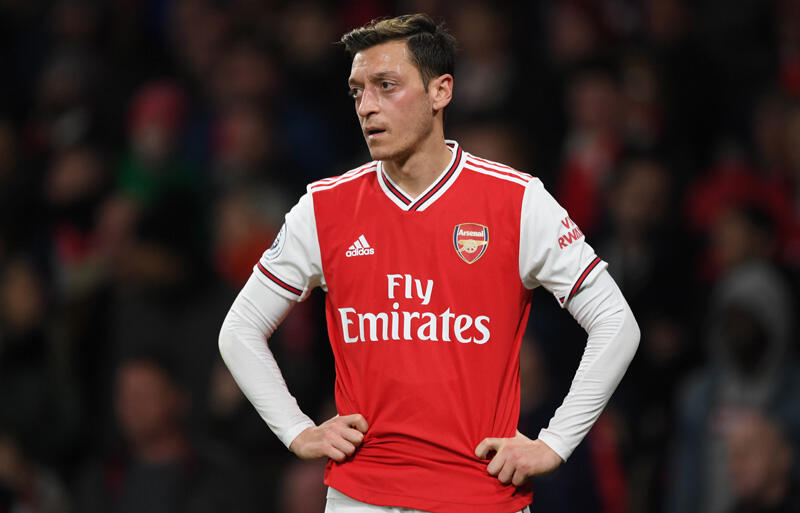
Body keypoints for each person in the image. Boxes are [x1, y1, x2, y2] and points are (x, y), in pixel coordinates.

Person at [219, 13, 640, 513]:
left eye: (386, 86)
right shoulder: (324, 209)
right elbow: (240, 329)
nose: (366, 106)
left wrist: (555, 442)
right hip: (360, 497)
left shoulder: (517, 202)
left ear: (441, 91)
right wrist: (296, 430)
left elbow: (616, 323)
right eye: (357, 91)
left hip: (481, 497)